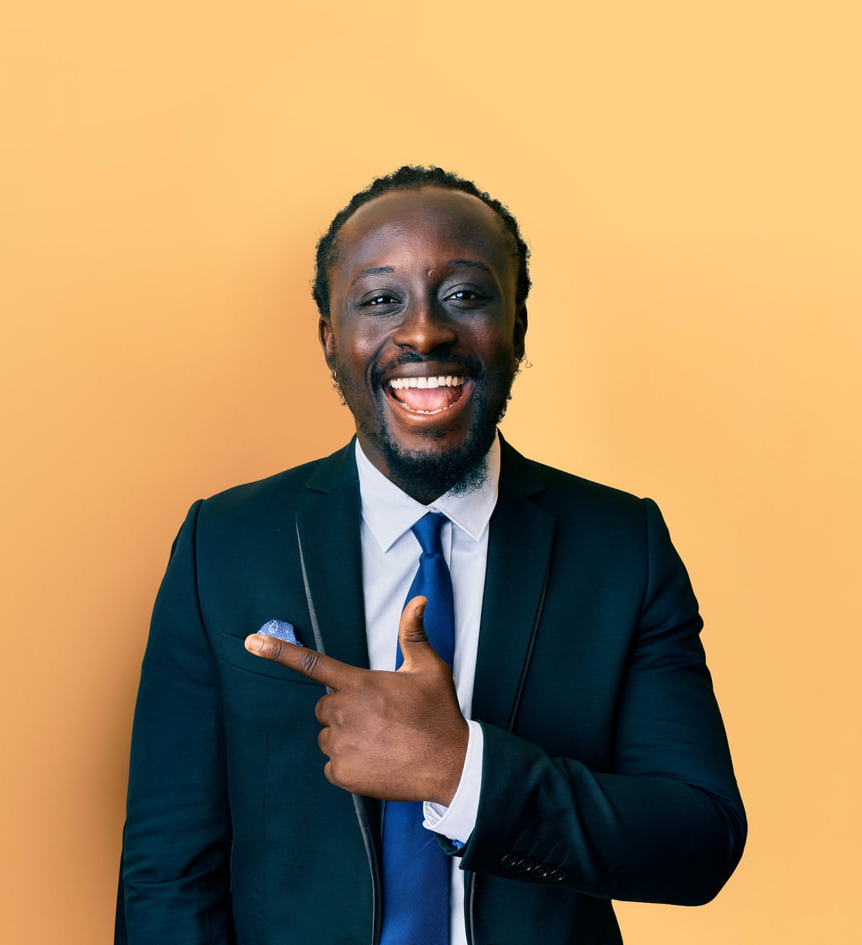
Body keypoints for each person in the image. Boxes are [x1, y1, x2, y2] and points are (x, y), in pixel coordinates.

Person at [116, 166, 746, 945]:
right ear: (330, 339)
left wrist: (460, 770)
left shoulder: (621, 547)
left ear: (517, 326)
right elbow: (168, 872)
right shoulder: (225, 543)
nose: (422, 332)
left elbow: (698, 840)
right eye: (381, 300)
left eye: (465, 294)